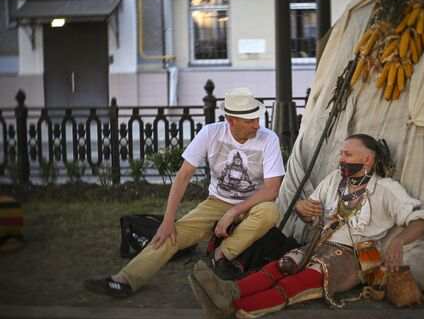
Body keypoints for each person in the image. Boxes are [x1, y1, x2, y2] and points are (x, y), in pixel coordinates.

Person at [188, 133, 424, 319]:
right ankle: (227, 291)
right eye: (341, 153)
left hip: (352, 257)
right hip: (318, 245)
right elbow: (311, 214)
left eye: (347, 154)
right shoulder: (335, 180)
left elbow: (420, 218)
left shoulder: (386, 190)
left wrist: (399, 241)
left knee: (296, 282)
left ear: (367, 159)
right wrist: (302, 209)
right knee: (278, 267)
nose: (341, 159)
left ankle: (230, 308)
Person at [84, 87, 285, 298]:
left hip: (253, 204)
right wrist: (168, 220)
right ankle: (125, 280)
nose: (257, 125)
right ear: (231, 120)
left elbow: (272, 189)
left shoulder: (268, 139)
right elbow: (183, 176)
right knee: (171, 235)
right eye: (250, 121)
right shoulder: (210, 133)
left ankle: (221, 255)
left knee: (270, 211)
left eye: (257, 118)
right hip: (216, 202)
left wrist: (233, 212)